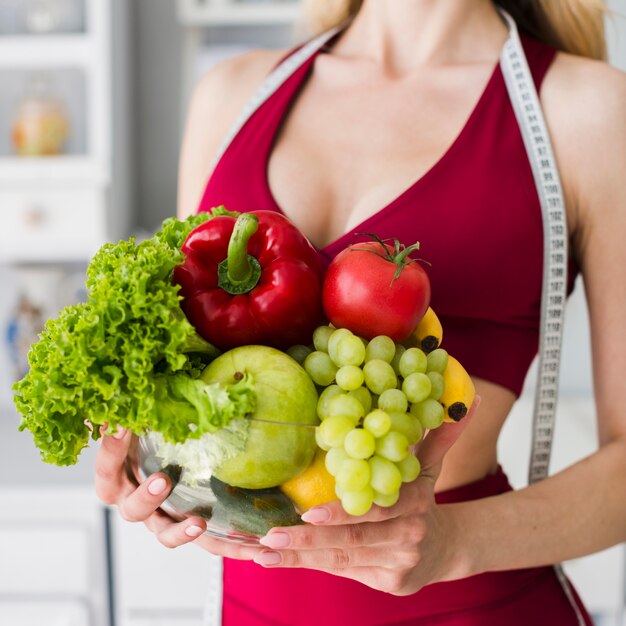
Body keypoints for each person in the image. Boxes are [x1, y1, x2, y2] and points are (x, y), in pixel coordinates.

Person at [95, 1, 626, 624]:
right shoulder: (231, 97)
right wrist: (146, 467)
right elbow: (179, 365)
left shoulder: (584, 109)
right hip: (252, 608)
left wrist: (455, 542)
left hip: (468, 608)